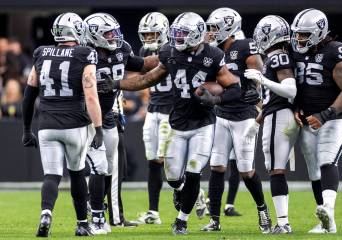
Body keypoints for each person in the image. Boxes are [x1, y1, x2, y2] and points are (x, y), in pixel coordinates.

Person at [112, 12, 241, 235]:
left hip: (202, 123)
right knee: (172, 176)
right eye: (176, 34)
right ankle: (184, 194)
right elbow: (147, 78)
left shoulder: (214, 54)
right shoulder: (170, 52)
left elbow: (234, 87)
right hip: (177, 123)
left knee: (193, 171)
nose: (178, 38)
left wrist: (216, 99)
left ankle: (181, 220)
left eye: (183, 34)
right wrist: (116, 84)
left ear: (197, 35)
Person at [21, 12, 103, 237]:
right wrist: (98, 129)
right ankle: (82, 224)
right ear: (76, 30)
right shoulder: (85, 53)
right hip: (75, 124)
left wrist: (27, 129)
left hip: (46, 124)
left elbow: (29, 95)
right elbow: (91, 96)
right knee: (76, 173)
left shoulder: (41, 52)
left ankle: (46, 212)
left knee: (51, 175)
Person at [84, 12, 159, 233]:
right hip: (83, 115)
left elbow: (141, 64)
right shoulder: (84, 53)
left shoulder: (122, 48)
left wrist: (167, 55)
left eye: (114, 31)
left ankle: (110, 214)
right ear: (95, 34)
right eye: (107, 33)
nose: (113, 36)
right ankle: (91, 211)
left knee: (111, 168)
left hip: (109, 114)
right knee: (89, 167)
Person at [201, 8, 271, 233]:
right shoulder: (211, 51)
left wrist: (257, 91)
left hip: (243, 116)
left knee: (245, 170)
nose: (210, 32)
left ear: (228, 27)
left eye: (214, 28)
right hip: (221, 113)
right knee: (217, 166)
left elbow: (262, 73)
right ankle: (214, 220)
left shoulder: (244, 46)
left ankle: (262, 210)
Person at [291, 9, 342, 233]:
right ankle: (326, 222)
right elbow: (295, 86)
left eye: (304, 35)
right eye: (297, 34)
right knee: (313, 170)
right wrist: (295, 108)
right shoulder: (295, 53)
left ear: (319, 33)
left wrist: (325, 114)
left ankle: (328, 209)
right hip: (309, 118)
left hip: (335, 117)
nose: (299, 39)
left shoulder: (335, 52)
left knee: (327, 159)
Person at [245, 15, 299, 233]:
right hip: (274, 115)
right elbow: (273, 99)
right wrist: (257, 122)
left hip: (280, 117)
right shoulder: (275, 58)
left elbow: (290, 91)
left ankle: (283, 223)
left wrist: (263, 80)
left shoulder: (278, 58)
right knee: (275, 168)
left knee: (276, 170)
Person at [136, 12, 172, 225]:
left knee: (171, 164)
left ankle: (197, 197)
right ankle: (153, 212)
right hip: (153, 108)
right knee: (153, 161)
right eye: (146, 34)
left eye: (153, 33)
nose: (149, 38)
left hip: (171, 109)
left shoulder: (173, 48)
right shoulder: (143, 51)